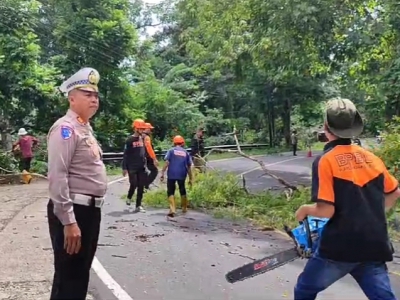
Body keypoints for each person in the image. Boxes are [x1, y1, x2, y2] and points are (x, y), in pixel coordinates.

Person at [294, 98, 400, 300]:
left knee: (304, 289)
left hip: (339, 248)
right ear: (355, 126)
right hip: (374, 244)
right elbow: (395, 192)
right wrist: (372, 215)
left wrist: (305, 210)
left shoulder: (326, 161)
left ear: (326, 127)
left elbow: (326, 211)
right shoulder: (372, 158)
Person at [47, 67, 107, 300]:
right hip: (75, 211)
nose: (94, 99)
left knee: (77, 277)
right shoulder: (65, 128)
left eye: (96, 95)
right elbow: (57, 176)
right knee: (70, 278)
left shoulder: (84, 128)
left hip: (90, 211)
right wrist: (69, 221)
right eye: (87, 94)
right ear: (72, 98)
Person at [161, 135, 193, 217]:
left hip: (171, 173)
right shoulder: (185, 152)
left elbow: (167, 162)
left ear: (174, 142)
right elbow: (189, 166)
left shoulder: (171, 151)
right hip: (182, 174)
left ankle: (172, 209)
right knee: (182, 189)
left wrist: (162, 172)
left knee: (170, 190)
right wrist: (190, 178)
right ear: (182, 143)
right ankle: (184, 208)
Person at [122, 118, 148, 212]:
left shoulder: (143, 138)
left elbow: (144, 152)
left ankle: (138, 205)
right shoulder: (129, 140)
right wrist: (124, 168)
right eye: (140, 128)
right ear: (136, 128)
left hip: (141, 166)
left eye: (143, 128)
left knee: (141, 185)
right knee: (134, 184)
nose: (142, 130)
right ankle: (129, 196)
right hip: (132, 167)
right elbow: (125, 154)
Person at [143, 122, 159, 190]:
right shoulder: (146, 137)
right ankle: (145, 185)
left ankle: (143, 185)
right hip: (148, 157)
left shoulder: (140, 136)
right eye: (150, 129)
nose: (151, 131)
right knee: (154, 171)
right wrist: (154, 158)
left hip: (140, 157)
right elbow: (149, 148)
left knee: (144, 171)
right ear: (146, 129)